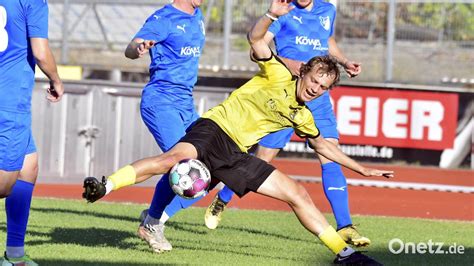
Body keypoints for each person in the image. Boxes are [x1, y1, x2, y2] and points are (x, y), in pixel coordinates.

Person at [83, 1, 393, 263]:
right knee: (175, 161)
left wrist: (362, 169)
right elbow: (256, 39)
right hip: (215, 130)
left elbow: (324, 147)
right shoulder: (275, 73)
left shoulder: (303, 115)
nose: (315, 89)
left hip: (235, 154)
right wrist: (271, 15)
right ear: (303, 72)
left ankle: (344, 254)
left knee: (296, 193)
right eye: (314, 80)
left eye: (323, 87)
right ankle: (107, 186)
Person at [204, 0, 367, 247]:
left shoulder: (328, 10)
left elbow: (328, 41)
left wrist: (344, 62)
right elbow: (257, 46)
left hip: (318, 96)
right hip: (285, 94)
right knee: (261, 160)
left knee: (331, 157)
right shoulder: (284, 10)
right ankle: (223, 198)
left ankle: (345, 226)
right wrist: (290, 64)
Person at [121, 0, 206, 253]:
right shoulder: (164, 18)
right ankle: (152, 224)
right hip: (161, 100)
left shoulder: (198, 15)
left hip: (185, 102)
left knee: (207, 173)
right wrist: (138, 48)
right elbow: (130, 47)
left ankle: (154, 217)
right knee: (182, 164)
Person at [0, 0, 64, 265]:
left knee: (29, 166)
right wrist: (56, 79)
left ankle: (14, 256)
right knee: (3, 186)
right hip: (8, 102)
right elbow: (40, 51)